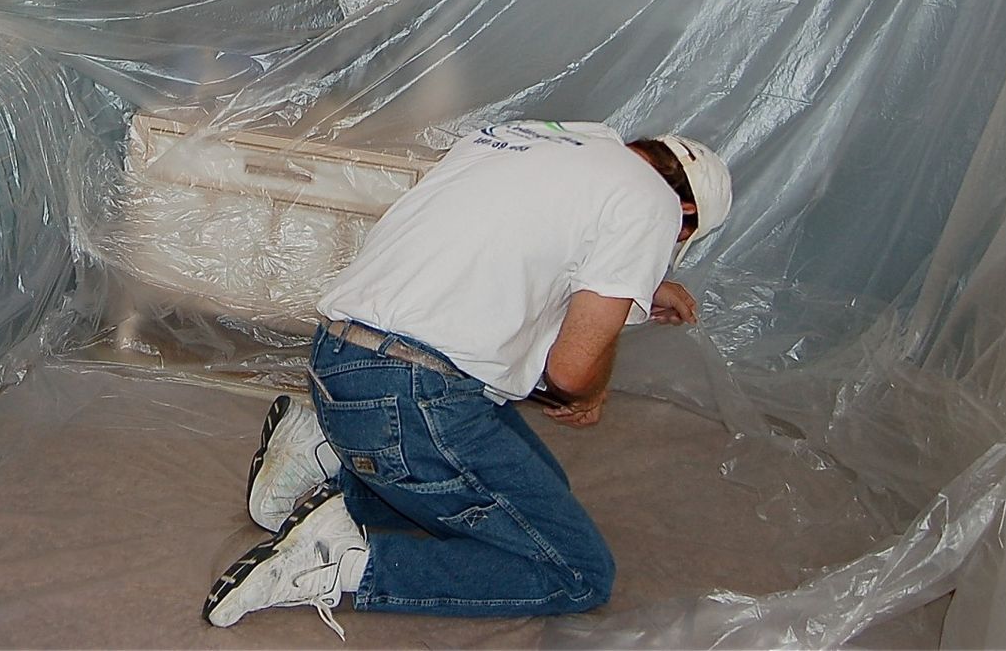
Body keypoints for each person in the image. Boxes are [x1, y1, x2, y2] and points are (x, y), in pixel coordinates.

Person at [203, 119, 732, 633]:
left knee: (541, 494)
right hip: (412, 394)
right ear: (683, 210)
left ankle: (324, 461)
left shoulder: (543, 139)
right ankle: (340, 560)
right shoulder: (653, 202)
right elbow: (571, 371)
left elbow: (514, 240)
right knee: (577, 571)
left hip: (341, 361)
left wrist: (644, 285)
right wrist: (592, 393)